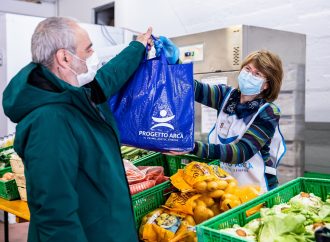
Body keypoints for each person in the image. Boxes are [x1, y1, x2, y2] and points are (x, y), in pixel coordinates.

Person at [2, 17, 153, 242]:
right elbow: (55, 214)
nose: (93, 57)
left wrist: (138, 47)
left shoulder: (74, 94)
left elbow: (107, 79)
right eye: (88, 50)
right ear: (64, 58)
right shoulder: (49, 121)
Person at [155, 38, 286, 192]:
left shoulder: (268, 112)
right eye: (248, 69)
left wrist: (193, 147)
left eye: (257, 74)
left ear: (266, 85)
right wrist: (175, 64)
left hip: (257, 191)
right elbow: (192, 89)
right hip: (227, 187)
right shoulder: (225, 96)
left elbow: (241, 152)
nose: (250, 75)